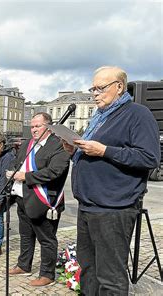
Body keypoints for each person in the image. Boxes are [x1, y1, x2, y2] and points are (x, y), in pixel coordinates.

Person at [63, 66, 161, 294]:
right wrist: (74, 151)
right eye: (93, 88)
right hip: (88, 206)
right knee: (87, 270)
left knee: (110, 277)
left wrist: (105, 150)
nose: (95, 93)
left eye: (100, 88)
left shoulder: (137, 114)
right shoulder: (99, 117)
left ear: (119, 87)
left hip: (114, 208)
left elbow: (149, 158)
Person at [8, 112, 70, 286]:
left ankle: (47, 274)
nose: (34, 129)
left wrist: (26, 176)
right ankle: (23, 265)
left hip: (44, 201)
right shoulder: (27, 144)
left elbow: (55, 172)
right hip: (23, 198)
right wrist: (12, 172)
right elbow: (16, 164)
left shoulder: (58, 145)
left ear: (48, 127)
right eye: (32, 126)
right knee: (25, 235)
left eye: (38, 126)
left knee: (46, 239)